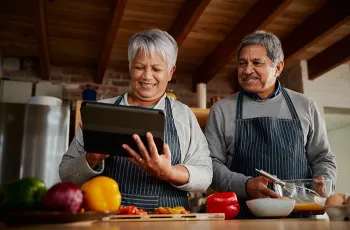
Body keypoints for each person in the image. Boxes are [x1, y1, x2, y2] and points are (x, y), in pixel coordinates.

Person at [59, 29, 212, 211]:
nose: (147, 76)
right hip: (110, 222)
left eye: (156, 69)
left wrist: (170, 173)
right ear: (130, 66)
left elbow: (205, 176)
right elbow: (66, 174)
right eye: (140, 67)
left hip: (169, 222)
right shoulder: (100, 111)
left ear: (170, 72)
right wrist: (91, 159)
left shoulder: (184, 115)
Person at [205, 30, 337, 219]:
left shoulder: (306, 106)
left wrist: (324, 181)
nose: (247, 70)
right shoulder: (221, 110)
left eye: (256, 63)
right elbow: (211, 165)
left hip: (301, 220)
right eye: (242, 63)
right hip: (242, 221)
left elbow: (323, 158)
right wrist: (246, 185)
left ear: (278, 67)